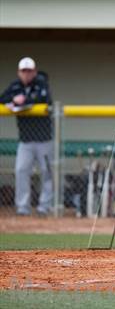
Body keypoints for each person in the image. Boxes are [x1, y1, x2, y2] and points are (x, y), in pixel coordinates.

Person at [0, 57, 53, 216]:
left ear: (34, 72)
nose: (27, 74)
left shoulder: (41, 82)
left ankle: (44, 207)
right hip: (25, 140)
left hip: (45, 139)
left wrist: (25, 100)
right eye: (24, 71)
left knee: (47, 172)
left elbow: (45, 98)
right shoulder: (15, 85)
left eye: (29, 71)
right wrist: (14, 100)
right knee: (21, 170)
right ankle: (23, 208)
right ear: (19, 72)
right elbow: (2, 98)